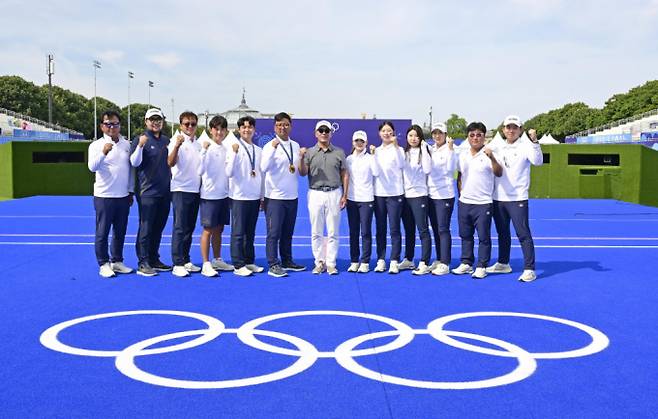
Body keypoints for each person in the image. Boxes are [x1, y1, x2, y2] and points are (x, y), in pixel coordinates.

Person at [486, 115, 543, 282]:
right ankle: (503, 263)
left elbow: (538, 161)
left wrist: (534, 142)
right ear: (503, 130)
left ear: (520, 130)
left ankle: (529, 268)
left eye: (514, 127)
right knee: (502, 233)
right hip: (498, 198)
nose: (511, 130)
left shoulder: (526, 146)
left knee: (523, 233)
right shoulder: (497, 145)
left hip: (518, 198)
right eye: (508, 127)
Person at [452, 121, 503, 279]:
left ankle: (482, 265)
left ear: (484, 137)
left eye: (479, 135)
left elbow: (499, 172)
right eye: (472, 135)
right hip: (465, 202)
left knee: (483, 237)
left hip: (483, 203)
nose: (475, 138)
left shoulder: (489, 154)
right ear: (468, 137)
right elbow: (460, 176)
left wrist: (492, 157)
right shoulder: (463, 155)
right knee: (465, 235)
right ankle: (466, 263)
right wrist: (461, 195)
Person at [87, 110, 133, 278]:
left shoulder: (126, 145)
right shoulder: (96, 145)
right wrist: (103, 152)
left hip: (123, 196)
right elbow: (92, 167)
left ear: (120, 125)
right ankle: (103, 263)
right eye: (108, 124)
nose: (112, 127)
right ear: (102, 126)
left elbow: (129, 170)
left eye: (115, 124)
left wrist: (130, 191)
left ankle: (117, 261)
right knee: (102, 232)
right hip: (104, 196)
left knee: (120, 231)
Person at [299, 120, 348, 275]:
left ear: (331, 133)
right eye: (321, 130)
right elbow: (302, 172)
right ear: (316, 133)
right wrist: (301, 158)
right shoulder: (309, 153)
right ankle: (319, 262)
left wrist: (345, 195)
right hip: (315, 193)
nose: (324, 133)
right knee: (316, 231)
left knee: (333, 231)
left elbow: (344, 174)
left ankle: (331, 263)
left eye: (327, 130)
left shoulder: (339, 152)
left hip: (334, 193)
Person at [260, 112, 306, 277]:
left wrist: (301, 157)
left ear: (290, 126)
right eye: (279, 125)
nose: (283, 128)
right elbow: (264, 168)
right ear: (275, 127)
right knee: (274, 233)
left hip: (291, 196)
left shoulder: (295, 145)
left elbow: (299, 170)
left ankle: (287, 261)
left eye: (286, 124)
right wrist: (273, 149)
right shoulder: (269, 146)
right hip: (274, 197)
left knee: (288, 232)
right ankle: (273, 264)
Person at [130, 108, 171, 276]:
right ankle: (143, 261)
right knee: (146, 228)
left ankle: (154, 258)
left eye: (158, 119)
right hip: (147, 192)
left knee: (158, 227)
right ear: (146, 121)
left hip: (164, 192)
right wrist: (140, 146)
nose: (156, 122)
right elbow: (134, 162)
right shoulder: (141, 139)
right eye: (152, 119)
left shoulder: (167, 140)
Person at [226, 116, 265, 277]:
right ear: (239, 130)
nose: (247, 130)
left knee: (250, 232)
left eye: (249, 127)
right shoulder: (233, 147)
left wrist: (262, 197)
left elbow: (261, 176)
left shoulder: (259, 150)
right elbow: (228, 172)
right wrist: (234, 153)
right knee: (238, 232)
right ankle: (238, 264)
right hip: (238, 197)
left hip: (254, 197)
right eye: (243, 127)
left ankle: (249, 261)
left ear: (254, 130)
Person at [198, 115, 234, 277]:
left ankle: (217, 259)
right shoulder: (206, 147)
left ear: (226, 131)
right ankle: (206, 263)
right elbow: (200, 170)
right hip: (209, 195)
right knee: (208, 230)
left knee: (219, 229)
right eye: (216, 129)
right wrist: (204, 150)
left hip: (223, 195)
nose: (219, 132)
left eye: (222, 129)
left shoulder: (226, 149)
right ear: (211, 130)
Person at [167, 112, 202, 277]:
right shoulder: (176, 140)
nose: (190, 127)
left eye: (193, 124)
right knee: (180, 227)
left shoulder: (198, 144)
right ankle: (177, 263)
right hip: (180, 189)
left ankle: (186, 259)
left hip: (195, 190)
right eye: (186, 124)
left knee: (190, 227)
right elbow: (170, 162)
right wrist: (177, 146)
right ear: (181, 125)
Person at [371, 121, 405, 274]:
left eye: (389, 131)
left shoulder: (400, 150)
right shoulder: (375, 151)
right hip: (379, 194)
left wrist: (396, 146)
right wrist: (372, 155)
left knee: (394, 229)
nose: (386, 133)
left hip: (395, 193)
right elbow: (375, 172)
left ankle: (394, 260)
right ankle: (380, 259)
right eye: (384, 131)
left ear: (393, 133)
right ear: (379, 133)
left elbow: (401, 164)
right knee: (380, 229)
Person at [400, 125, 433, 275]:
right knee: (409, 230)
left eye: (416, 136)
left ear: (421, 138)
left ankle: (424, 262)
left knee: (423, 230)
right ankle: (408, 259)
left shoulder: (425, 151)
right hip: (405, 196)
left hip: (419, 195)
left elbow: (427, 170)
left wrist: (425, 149)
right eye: (410, 135)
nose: (413, 139)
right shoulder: (403, 152)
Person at [345, 130, 379, 273]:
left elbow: (376, 173)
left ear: (365, 142)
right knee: (353, 232)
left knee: (365, 231)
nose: (359, 143)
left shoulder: (370, 158)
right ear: (353, 142)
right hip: (352, 199)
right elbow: (345, 178)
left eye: (362, 141)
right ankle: (354, 260)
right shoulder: (348, 159)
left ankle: (365, 261)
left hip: (366, 199)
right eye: (357, 141)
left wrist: (374, 156)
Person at [426, 122, 456, 275]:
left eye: (440, 133)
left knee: (443, 229)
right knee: (436, 229)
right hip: (431, 195)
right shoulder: (431, 149)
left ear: (445, 134)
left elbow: (451, 168)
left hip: (445, 195)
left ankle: (445, 263)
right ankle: (439, 258)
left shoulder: (450, 149)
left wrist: (450, 149)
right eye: (435, 133)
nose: (437, 136)